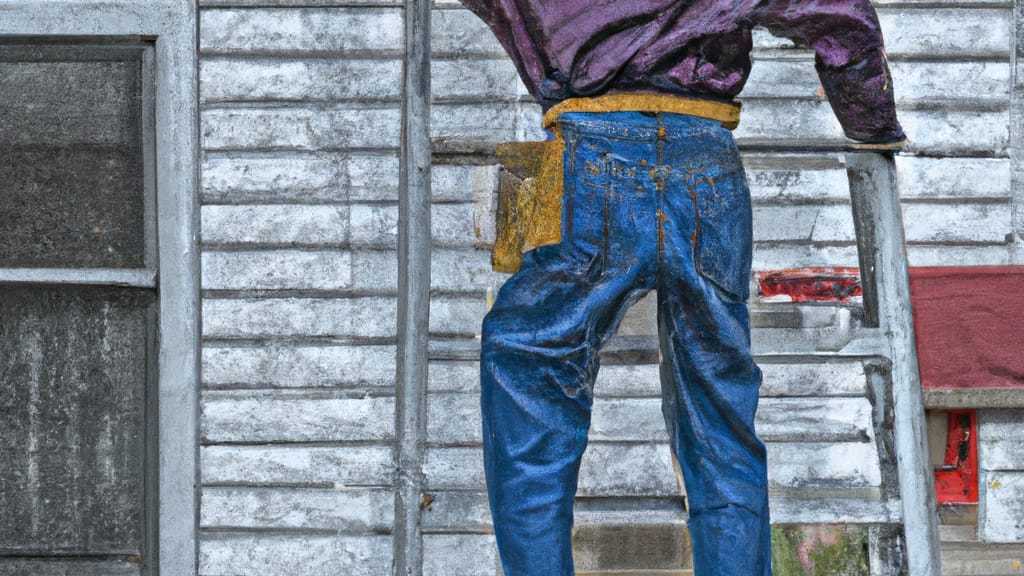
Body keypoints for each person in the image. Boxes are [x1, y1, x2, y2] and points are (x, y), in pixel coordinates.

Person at [465, 1, 905, 574]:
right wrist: (871, 126)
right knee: (717, 403)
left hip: (581, 152)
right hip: (706, 159)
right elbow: (839, 16)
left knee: (528, 368)